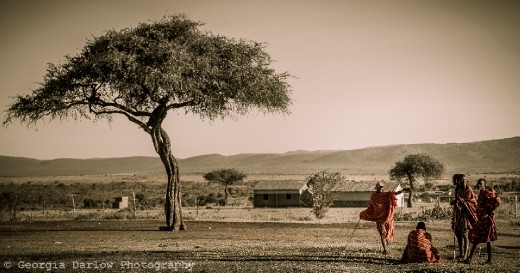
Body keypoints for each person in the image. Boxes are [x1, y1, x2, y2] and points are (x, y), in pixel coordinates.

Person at [359, 181, 410, 254]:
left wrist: (403, 190)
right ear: (376, 188)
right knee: (382, 234)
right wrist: (364, 214)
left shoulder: (385, 194)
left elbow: (394, 193)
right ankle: (385, 250)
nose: (380, 189)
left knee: (387, 233)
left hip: (387, 217)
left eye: (381, 187)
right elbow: (370, 207)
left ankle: (387, 248)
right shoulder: (374, 196)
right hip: (379, 218)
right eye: (378, 187)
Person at [465, 179, 501, 264]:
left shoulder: (489, 193)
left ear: (485, 184)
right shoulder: (481, 193)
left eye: (481, 184)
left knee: (487, 239)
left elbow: (497, 201)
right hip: (480, 219)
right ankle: (470, 259)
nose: (479, 185)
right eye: (478, 184)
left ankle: (489, 260)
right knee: (477, 238)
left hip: (487, 219)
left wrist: (489, 210)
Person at [450, 173, 478, 260]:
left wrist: (460, 201)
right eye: (461, 180)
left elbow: (471, 201)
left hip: (465, 214)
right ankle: (461, 253)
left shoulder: (468, 189)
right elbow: (458, 199)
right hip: (458, 213)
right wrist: (455, 202)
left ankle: (466, 254)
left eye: (464, 180)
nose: (463, 181)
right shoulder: (457, 188)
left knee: (465, 234)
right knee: (458, 233)